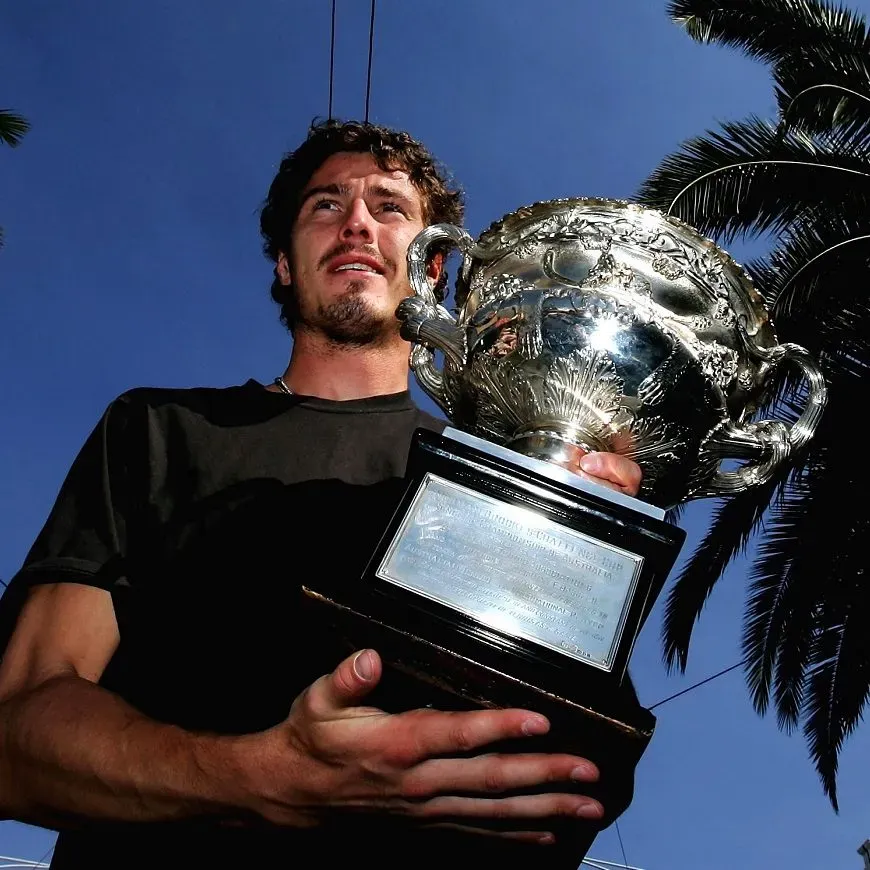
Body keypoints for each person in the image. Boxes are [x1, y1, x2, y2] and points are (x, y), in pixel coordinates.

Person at [0, 119, 646, 869]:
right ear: (283, 263)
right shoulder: (159, 429)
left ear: (435, 268)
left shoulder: (495, 479)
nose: (358, 224)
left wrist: (583, 541)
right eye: (325, 206)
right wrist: (255, 779)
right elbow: (16, 730)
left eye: (390, 207)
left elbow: (571, 779)